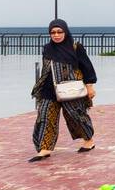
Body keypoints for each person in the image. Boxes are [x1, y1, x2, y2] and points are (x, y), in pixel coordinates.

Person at [29, 18, 98, 162]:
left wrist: (90, 86)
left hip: (71, 89)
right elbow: (46, 69)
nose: (56, 35)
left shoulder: (75, 47)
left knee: (76, 115)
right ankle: (45, 148)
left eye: (60, 31)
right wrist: (40, 88)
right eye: (53, 32)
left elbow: (87, 66)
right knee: (45, 117)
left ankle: (89, 140)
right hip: (49, 90)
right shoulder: (47, 48)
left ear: (65, 32)